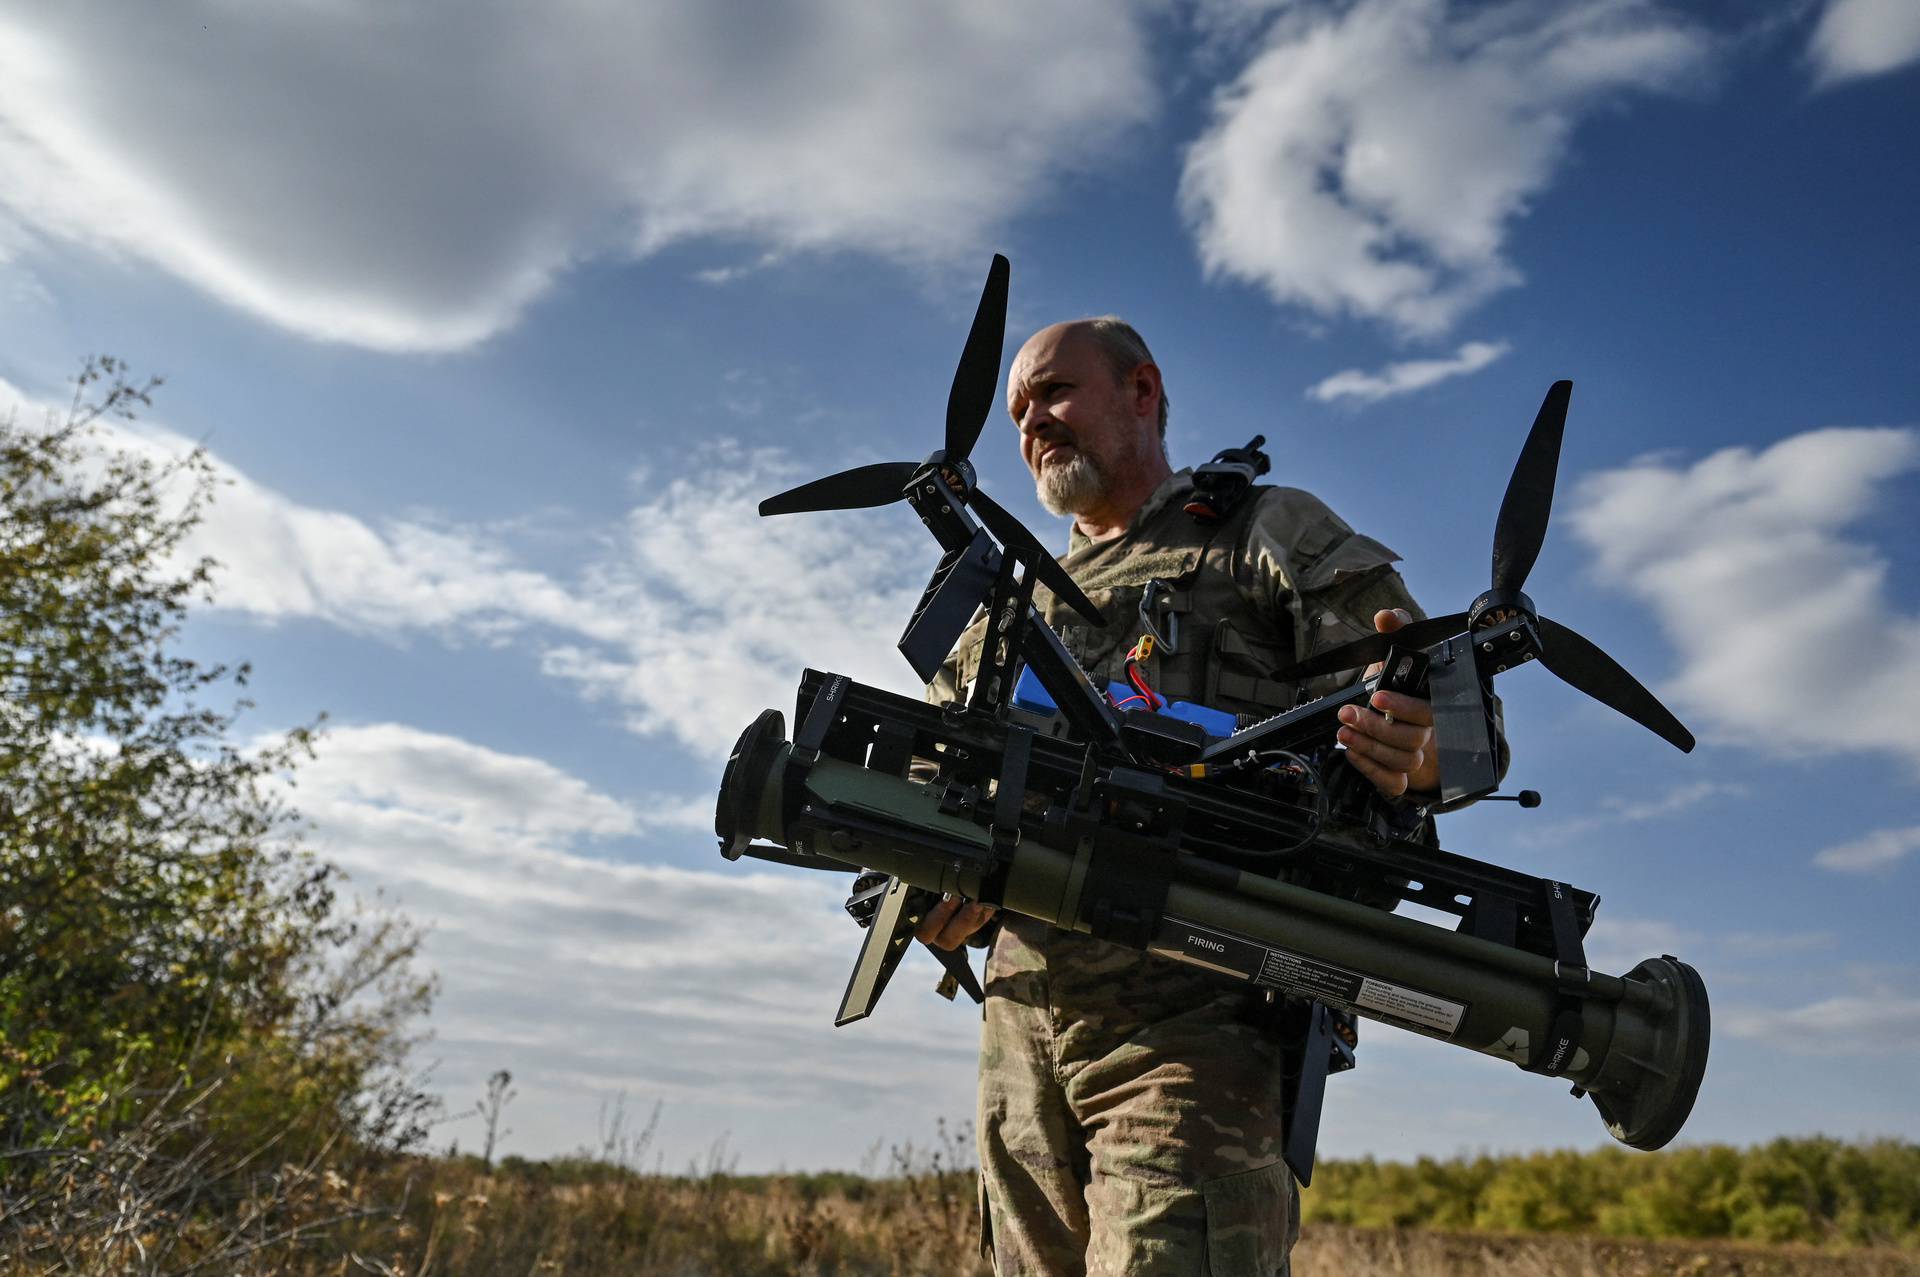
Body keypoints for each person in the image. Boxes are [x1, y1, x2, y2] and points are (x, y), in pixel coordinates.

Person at [915, 317, 1456, 1276]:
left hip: (1203, 1020)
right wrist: (925, 888)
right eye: (1017, 413)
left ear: (1143, 389)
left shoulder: (1262, 533)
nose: (1033, 422)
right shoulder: (1006, 606)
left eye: (1054, 391)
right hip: (1022, 1030)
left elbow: (1440, 703)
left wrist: (1413, 750)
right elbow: (928, 779)